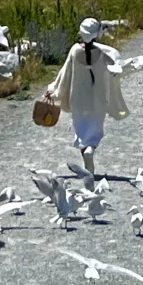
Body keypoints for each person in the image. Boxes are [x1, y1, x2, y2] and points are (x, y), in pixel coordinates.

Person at [43, 17, 128, 172]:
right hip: (97, 100)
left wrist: (54, 90)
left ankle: (86, 153)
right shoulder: (102, 54)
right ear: (96, 35)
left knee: (81, 130)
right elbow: (116, 69)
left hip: (78, 99)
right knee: (95, 130)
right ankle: (91, 149)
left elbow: (64, 74)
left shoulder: (75, 50)